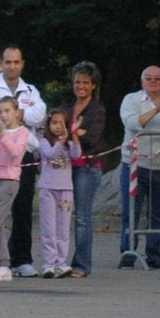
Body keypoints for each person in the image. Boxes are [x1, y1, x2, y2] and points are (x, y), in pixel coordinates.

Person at [0, 46, 47, 277]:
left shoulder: (31, 90)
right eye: (8, 62)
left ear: (22, 63)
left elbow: (40, 115)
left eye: (16, 62)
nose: (12, 66)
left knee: (23, 208)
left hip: (22, 155)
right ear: (2, 63)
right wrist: (16, 115)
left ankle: (22, 259)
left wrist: (14, 116)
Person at [118, 65, 160, 271]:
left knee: (159, 214)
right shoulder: (131, 99)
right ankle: (128, 254)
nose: (153, 82)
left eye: (158, 79)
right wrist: (157, 109)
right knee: (132, 212)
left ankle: (154, 255)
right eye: (149, 78)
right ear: (142, 81)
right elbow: (133, 124)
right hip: (134, 165)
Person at [57, 61, 107, 278]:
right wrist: (76, 133)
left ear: (93, 85)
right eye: (78, 82)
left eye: (86, 82)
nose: (81, 86)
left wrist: (70, 135)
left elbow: (91, 140)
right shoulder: (67, 108)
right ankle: (58, 261)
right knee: (63, 216)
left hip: (87, 168)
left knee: (82, 217)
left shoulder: (97, 110)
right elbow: (55, 130)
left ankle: (82, 265)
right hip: (65, 168)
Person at [0, 96, 30, 282]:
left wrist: (2, 134)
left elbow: (16, 154)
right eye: (0, 111)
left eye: (7, 111)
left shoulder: (22, 132)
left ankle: (0, 263)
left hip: (8, 181)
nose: (3, 115)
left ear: (16, 112)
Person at [37, 109, 80, 278]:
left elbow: (76, 155)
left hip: (65, 190)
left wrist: (74, 135)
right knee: (49, 228)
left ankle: (61, 263)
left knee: (63, 228)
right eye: (54, 122)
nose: (58, 126)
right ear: (48, 125)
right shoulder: (44, 142)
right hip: (48, 190)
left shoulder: (68, 144)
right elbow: (49, 154)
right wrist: (61, 141)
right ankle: (49, 263)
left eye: (61, 123)